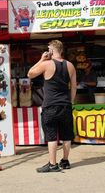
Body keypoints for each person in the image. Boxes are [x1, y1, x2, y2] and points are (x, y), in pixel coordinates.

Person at [27, 40, 77, 172]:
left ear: (51, 51)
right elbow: (74, 87)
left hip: (50, 106)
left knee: (51, 135)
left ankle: (52, 164)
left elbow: (30, 74)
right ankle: (65, 161)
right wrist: (70, 101)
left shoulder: (46, 64)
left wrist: (41, 59)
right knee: (66, 135)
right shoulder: (70, 65)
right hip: (65, 105)